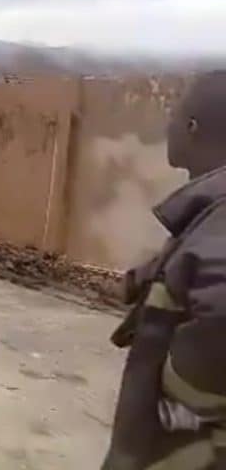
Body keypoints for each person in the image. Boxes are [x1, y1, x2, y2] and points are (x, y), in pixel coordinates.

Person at [103, 70, 226, 470]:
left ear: (192, 128)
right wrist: (151, 278)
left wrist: (181, 387)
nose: (167, 125)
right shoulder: (207, 215)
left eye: (172, 115)